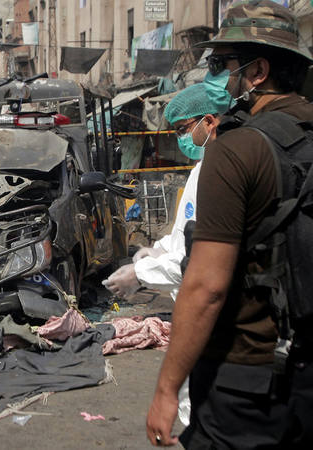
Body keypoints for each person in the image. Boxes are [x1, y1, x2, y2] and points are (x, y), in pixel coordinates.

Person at [146, 1, 313, 447]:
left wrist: (166, 389)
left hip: (247, 380)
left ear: (258, 71)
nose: (215, 76)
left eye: (222, 64)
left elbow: (207, 287)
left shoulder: (236, 150)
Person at [104, 83, 228, 426]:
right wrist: (154, 250)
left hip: (215, 318)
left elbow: (201, 256)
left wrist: (139, 275)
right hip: (191, 314)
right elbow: (182, 237)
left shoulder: (223, 173)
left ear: (210, 122)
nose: (179, 140)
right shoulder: (199, 171)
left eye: (183, 130)